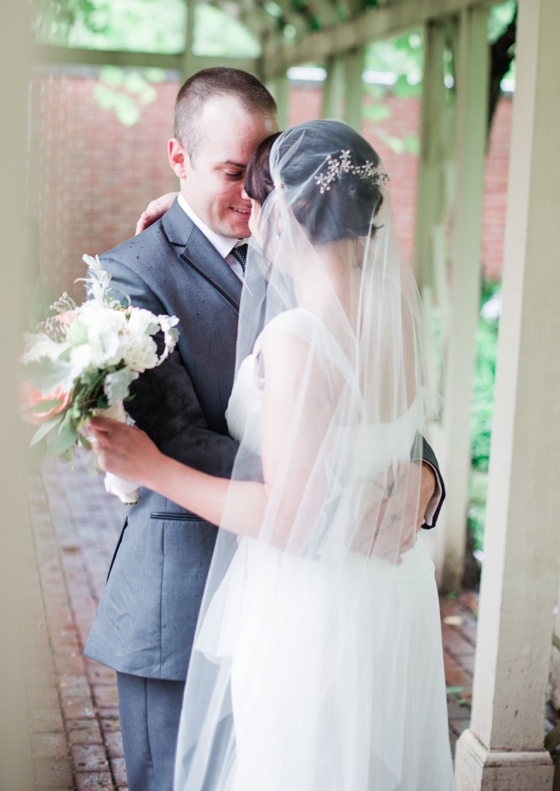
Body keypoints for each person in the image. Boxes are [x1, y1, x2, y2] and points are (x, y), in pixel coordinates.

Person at [79, 68, 444, 791]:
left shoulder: (324, 286)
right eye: (231, 173)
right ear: (178, 160)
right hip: (186, 601)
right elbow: (180, 437)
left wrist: (419, 474)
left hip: (314, 605)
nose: (249, 195)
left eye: (260, 175)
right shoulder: (134, 276)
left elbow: (368, 413)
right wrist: (341, 500)